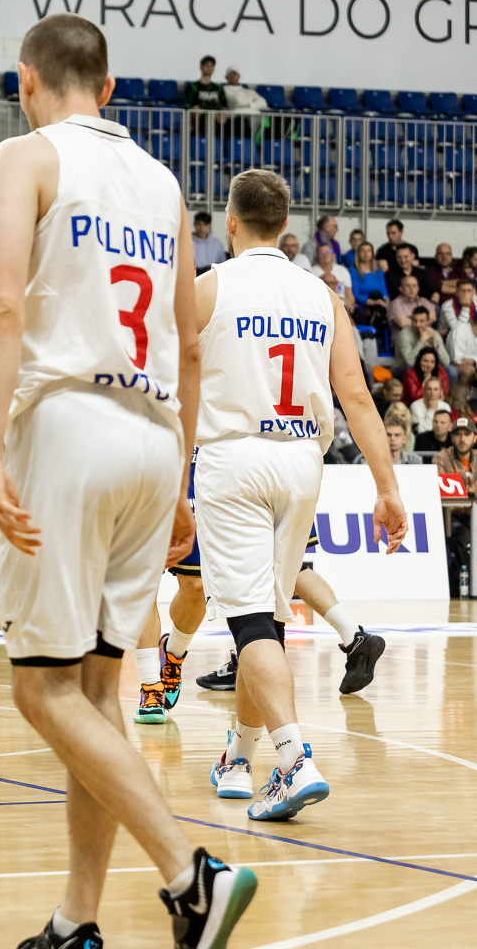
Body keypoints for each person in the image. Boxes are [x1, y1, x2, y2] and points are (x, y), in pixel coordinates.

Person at [0, 14, 254, 949]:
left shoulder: (25, 156)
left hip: (69, 428)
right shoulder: (163, 182)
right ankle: (76, 920)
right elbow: (187, 342)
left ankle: (191, 874)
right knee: (97, 695)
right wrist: (179, 478)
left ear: (26, 81)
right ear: (107, 87)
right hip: (154, 436)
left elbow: (1, 304)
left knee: (40, 691)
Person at [184, 171, 405, 827]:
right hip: (303, 460)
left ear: (230, 222)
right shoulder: (322, 295)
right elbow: (356, 396)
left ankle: (293, 760)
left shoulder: (207, 288)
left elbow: (180, 389)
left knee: (251, 623)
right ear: (286, 226)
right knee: (270, 619)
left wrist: (170, 483)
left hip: (233, 458)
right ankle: (239, 757)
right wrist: (388, 487)